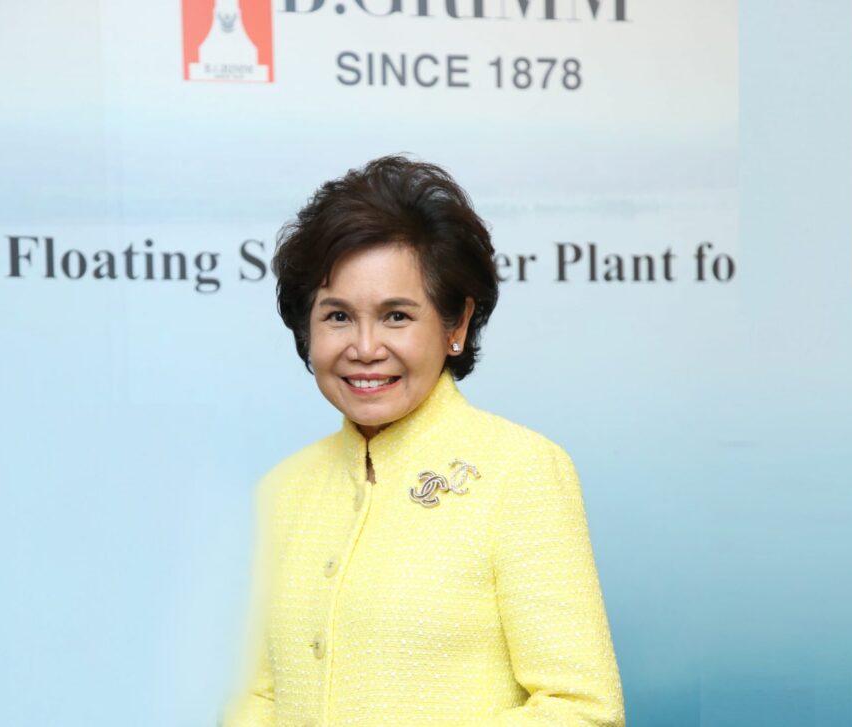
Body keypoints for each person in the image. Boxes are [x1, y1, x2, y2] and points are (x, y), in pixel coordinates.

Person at [220, 155, 625, 726]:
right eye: (337, 316)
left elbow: (583, 711)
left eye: (396, 317)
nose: (365, 348)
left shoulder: (520, 470)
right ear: (306, 328)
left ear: (456, 324)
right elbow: (258, 698)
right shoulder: (281, 491)